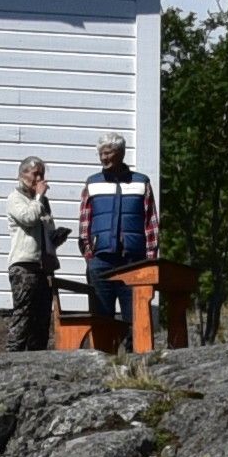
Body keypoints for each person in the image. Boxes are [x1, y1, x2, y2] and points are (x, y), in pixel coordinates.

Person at [79, 138, 155, 354]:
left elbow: (151, 223)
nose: (104, 158)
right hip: (101, 261)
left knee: (136, 320)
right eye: (101, 153)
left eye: (108, 153)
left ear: (120, 153)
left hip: (133, 262)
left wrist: (149, 260)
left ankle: (137, 369)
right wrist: (89, 255)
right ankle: (103, 369)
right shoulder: (92, 183)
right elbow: (84, 221)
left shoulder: (141, 182)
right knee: (103, 320)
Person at [3, 155, 65, 351]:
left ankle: (37, 358)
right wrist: (38, 197)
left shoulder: (42, 202)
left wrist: (56, 237)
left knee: (42, 316)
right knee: (24, 313)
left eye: (42, 174)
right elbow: (28, 218)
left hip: (44, 266)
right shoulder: (15, 198)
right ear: (22, 174)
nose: (39, 179)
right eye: (35, 173)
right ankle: (13, 355)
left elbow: (47, 227)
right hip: (24, 265)